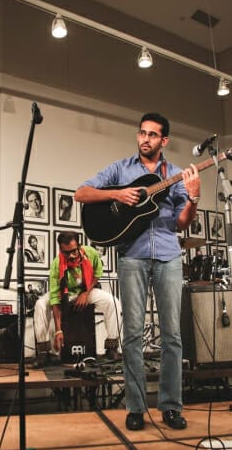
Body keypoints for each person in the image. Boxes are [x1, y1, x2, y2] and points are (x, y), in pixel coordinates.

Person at [75, 113, 200, 431]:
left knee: (172, 335)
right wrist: (116, 194)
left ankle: (171, 406)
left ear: (164, 140)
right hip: (132, 255)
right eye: (142, 133)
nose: (145, 139)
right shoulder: (121, 169)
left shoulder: (175, 175)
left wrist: (194, 198)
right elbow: (81, 193)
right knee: (131, 334)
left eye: (152, 134)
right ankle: (136, 407)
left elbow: (182, 223)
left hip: (169, 256)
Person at [31, 231, 122, 365]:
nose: (71, 256)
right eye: (66, 253)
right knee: (40, 304)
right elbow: (55, 298)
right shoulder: (56, 264)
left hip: (86, 291)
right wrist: (58, 330)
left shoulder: (91, 253)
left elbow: (97, 274)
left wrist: (86, 293)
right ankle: (43, 353)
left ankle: (112, 348)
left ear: (79, 246)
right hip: (65, 292)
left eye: (73, 251)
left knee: (113, 302)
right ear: (61, 250)